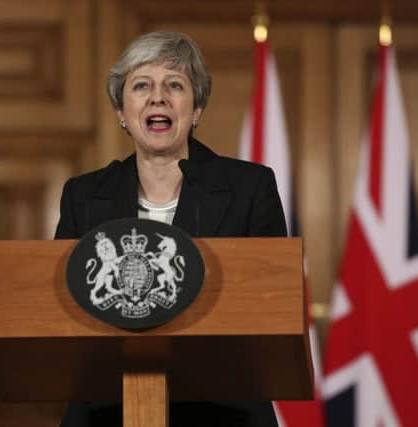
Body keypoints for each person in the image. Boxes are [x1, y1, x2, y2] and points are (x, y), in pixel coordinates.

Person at [55, 31, 286, 427]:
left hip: (224, 411)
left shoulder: (250, 187)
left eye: (174, 85)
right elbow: (59, 309)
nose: (157, 97)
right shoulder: (84, 195)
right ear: (121, 111)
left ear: (195, 108)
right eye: (141, 85)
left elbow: (273, 303)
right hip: (107, 408)